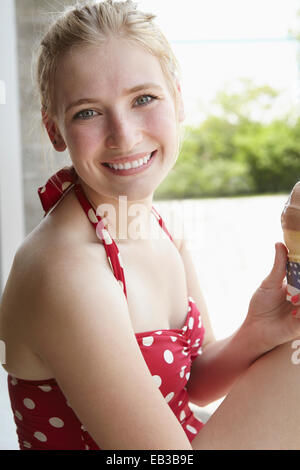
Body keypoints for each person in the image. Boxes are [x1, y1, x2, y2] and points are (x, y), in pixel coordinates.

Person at [1, 0, 300, 451]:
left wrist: (258, 330)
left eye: (143, 99)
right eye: (88, 111)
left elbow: (192, 383)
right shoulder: (65, 272)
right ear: (55, 129)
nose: (124, 134)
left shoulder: (156, 227)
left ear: (178, 99)